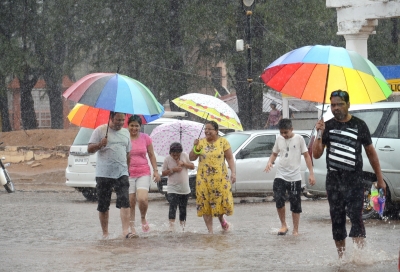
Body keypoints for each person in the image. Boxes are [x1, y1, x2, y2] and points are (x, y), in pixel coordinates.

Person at [312, 89, 386, 259]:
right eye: (333, 105)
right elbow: (316, 154)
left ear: (348, 105)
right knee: (337, 220)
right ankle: (342, 259)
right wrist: (319, 133)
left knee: (356, 216)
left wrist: (380, 180)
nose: (335, 108)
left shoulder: (359, 125)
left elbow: (371, 153)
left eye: (340, 104)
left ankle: (359, 259)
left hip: (354, 179)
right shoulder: (327, 126)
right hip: (334, 181)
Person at [264, 118, 315, 236]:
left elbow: (307, 156)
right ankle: (283, 225)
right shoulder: (279, 139)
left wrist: (311, 173)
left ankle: (295, 230)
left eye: (286, 132)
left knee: (295, 204)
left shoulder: (299, 139)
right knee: (279, 199)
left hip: (294, 177)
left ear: (291, 129)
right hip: (280, 174)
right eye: (281, 132)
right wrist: (269, 162)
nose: (283, 135)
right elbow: (274, 154)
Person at [87, 111, 134, 239]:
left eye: (122, 120)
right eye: (118, 119)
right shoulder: (100, 131)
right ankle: (105, 233)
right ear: (111, 118)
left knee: (125, 201)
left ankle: (125, 231)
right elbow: (89, 149)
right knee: (103, 205)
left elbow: (128, 153)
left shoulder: (126, 133)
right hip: (104, 174)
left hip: (122, 173)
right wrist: (99, 144)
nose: (120, 123)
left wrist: (127, 170)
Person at [189, 120, 236, 234]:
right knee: (205, 203)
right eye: (205, 129)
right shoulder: (200, 142)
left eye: (209, 129)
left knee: (220, 202)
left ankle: (221, 219)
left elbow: (229, 158)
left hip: (219, 178)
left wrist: (233, 172)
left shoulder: (223, 142)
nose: (207, 131)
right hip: (203, 179)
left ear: (216, 131)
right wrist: (195, 147)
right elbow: (192, 157)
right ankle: (210, 232)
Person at [127, 115, 161, 235]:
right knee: (131, 200)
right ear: (128, 126)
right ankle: (131, 225)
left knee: (142, 199)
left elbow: (151, 155)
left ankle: (142, 217)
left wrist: (156, 171)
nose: (134, 128)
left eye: (136, 126)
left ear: (140, 126)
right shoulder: (125, 137)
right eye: (132, 125)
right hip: (128, 173)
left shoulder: (145, 138)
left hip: (143, 172)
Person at [161, 142, 195, 231]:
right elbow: (163, 173)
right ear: (170, 153)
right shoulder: (167, 159)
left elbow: (192, 166)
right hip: (172, 188)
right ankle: (171, 227)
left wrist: (184, 164)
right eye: (173, 155)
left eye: (177, 155)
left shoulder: (184, 155)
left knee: (183, 208)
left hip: (184, 188)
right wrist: (173, 170)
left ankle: (182, 227)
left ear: (180, 153)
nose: (175, 156)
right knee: (173, 206)